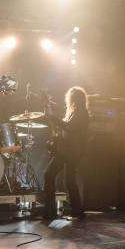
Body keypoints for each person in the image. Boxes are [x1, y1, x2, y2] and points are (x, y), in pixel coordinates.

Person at [43, 87, 90, 220]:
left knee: (63, 179)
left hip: (72, 151)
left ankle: (73, 211)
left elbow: (69, 127)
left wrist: (53, 117)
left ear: (74, 98)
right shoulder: (74, 112)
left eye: (69, 96)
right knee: (56, 177)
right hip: (67, 150)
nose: (67, 98)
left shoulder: (81, 113)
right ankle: (71, 211)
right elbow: (66, 130)